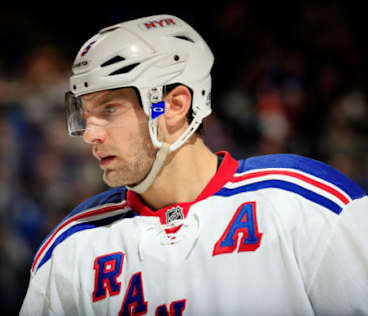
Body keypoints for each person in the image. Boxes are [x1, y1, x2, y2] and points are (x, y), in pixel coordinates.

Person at [20, 14, 368, 316]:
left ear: (174, 105)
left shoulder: (303, 203)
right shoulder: (71, 249)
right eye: (86, 113)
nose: (90, 134)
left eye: (109, 109)